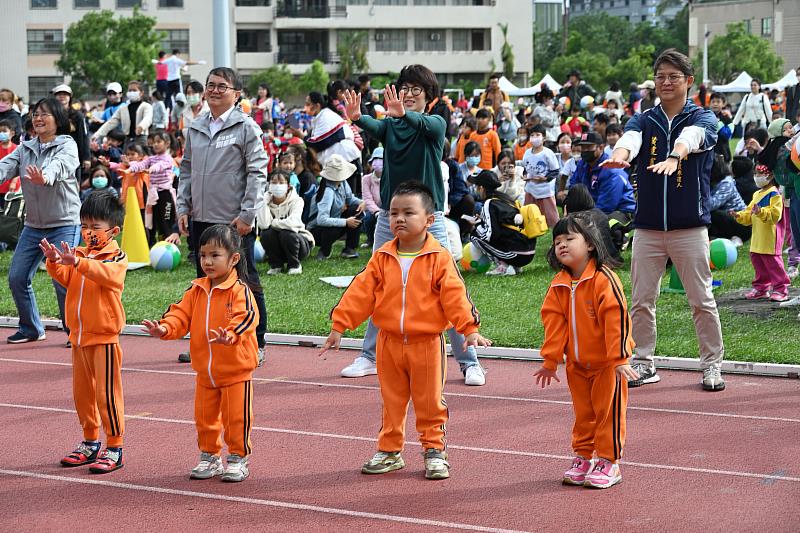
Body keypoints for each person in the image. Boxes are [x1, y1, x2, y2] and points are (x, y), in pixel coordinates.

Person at [320, 182, 491, 480]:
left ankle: (434, 450)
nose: (399, 218)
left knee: (429, 402)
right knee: (392, 401)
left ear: (429, 220)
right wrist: (340, 324)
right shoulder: (382, 256)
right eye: (393, 213)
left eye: (408, 212)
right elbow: (360, 292)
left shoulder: (438, 257)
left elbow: (455, 296)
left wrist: (469, 329)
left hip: (425, 344)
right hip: (389, 344)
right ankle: (389, 451)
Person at [341, 64, 486, 386]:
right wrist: (356, 116)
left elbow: (426, 125)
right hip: (390, 219)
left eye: (415, 90)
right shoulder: (392, 126)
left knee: (448, 287)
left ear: (429, 97)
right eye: (404, 88)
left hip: (429, 219)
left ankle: (469, 362)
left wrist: (401, 115)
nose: (408, 94)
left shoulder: (435, 123)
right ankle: (368, 356)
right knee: (379, 284)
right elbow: (373, 126)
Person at [604, 49, 726, 392]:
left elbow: (694, 139)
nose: (666, 82)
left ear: (689, 81)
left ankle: (712, 366)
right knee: (642, 301)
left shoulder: (703, 118)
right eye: (660, 76)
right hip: (648, 228)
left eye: (673, 76)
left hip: (690, 227)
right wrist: (619, 155)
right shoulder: (644, 119)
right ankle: (643, 362)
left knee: (701, 300)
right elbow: (631, 139)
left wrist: (675, 156)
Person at [142, 224, 258, 483]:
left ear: (234, 258)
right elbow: (180, 314)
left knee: (236, 418)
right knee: (205, 419)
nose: (207, 261)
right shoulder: (197, 289)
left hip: (236, 371)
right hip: (205, 371)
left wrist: (231, 335)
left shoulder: (240, 291)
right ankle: (210, 456)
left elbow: (247, 316)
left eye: (215, 255)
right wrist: (165, 328)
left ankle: (238, 458)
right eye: (203, 255)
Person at [533, 212, 637, 489]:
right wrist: (550, 360)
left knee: (608, 413)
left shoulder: (605, 280)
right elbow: (554, 324)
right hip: (576, 366)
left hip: (607, 366)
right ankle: (583, 457)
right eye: (557, 241)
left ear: (590, 243)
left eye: (569, 238)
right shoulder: (558, 284)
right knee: (583, 415)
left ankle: (609, 461)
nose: (562, 245)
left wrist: (619, 358)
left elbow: (617, 319)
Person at [177, 66, 268, 366]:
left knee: (246, 280)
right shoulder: (196, 126)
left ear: (237, 94)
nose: (214, 90)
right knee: (205, 283)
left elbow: (257, 172)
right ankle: (206, 340)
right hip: (201, 217)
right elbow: (187, 169)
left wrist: (247, 215)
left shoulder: (246, 127)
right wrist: (183, 206)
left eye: (222, 86)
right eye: (210, 85)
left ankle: (256, 341)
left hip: (233, 222)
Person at [39, 190, 127, 473]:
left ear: (113, 231)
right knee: (83, 394)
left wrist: (80, 263)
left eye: (95, 227)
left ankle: (114, 447)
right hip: (78, 336)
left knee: (106, 394)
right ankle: (90, 442)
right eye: (85, 226)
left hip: (103, 337)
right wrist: (55, 262)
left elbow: (108, 276)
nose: (88, 232)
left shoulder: (116, 257)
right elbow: (67, 278)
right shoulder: (78, 254)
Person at [0, 97, 81, 345]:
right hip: (33, 225)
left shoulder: (67, 145)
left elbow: (60, 166)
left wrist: (44, 176)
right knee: (17, 277)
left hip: (64, 223)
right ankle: (31, 327)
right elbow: (4, 166)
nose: (38, 118)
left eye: (45, 114)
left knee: (62, 279)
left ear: (58, 119)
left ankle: (75, 332)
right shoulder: (25, 148)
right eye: (35, 114)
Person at [732, 164, 789, 301]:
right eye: (755, 174)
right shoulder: (757, 194)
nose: (756, 177)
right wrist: (739, 215)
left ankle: (781, 290)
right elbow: (748, 213)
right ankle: (761, 289)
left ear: (769, 176)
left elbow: (776, 215)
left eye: (759, 174)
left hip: (770, 237)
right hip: (757, 238)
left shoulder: (775, 194)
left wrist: (760, 211)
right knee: (758, 263)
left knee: (774, 265)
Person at [469, 170, 536, 275]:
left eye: (477, 187)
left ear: (482, 188)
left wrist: (476, 225)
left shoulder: (489, 203)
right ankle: (514, 266)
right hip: (529, 252)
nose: (476, 190)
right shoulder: (504, 199)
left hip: (517, 254)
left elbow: (490, 235)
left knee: (474, 236)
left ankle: (503, 266)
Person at [124, 131, 179, 245]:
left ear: (167, 143)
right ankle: (151, 244)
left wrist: (151, 169)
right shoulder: (151, 158)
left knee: (166, 220)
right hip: (153, 194)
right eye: (153, 142)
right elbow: (141, 164)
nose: (155, 145)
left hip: (165, 194)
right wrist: (130, 169)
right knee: (152, 220)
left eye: (159, 142)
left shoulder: (168, 158)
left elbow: (161, 165)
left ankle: (169, 245)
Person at [307, 154, 364, 259]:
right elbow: (322, 220)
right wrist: (346, 222)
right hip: (317, 231)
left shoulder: (342, 183)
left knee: (356, 210)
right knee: (336, 225)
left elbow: (350, 199)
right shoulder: (327, 192)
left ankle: (350, 249)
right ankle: (324, 250)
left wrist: (362, 203)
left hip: (334, 222)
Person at [259, 169, 314, 275]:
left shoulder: (297, 201)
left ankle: (294, 265)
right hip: (277, 245)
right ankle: (276, 265)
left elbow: (293, 223)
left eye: (281, 183)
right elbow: (264, 225)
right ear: (269, 185)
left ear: (288, 186)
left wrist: (274, 223)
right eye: (274, 183)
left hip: (299, 244)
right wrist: (264, 202)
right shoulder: (265, 201)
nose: (277, 186)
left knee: (286, 233)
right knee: (266, 233)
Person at [521, 124, 560, 228]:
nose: (534, 138)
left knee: (550, 215)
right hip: (530, 188)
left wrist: (546, 178)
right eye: (532, 135)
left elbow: (555, 171)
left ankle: (555, 227)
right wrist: (525, 176)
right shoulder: (527, 153)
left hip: (545, 189)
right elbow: (526, 168)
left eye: (537, 135)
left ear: (544, 138)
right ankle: (530, 226)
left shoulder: (548, 153)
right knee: (529, 211)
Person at [92, 81, 153, 146]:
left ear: (141, 93)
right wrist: (97, 134)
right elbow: (111, 122)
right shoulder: (123, 108)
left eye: (134, 90)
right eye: (130, 90)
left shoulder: (146, 106)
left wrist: (141, 126)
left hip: (141, 138)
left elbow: (148, 118)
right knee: (125, 156)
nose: (132, 92)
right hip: (127, 139)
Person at [52, 84, 91, 179]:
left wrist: (86, 158)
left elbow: (84, 136)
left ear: (70, 97)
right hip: (54, 155)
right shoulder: (50, 114)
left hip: (73, 156)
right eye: (59, 94)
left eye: (65, 94)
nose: (62, 96)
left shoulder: (78, 116)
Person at [708, 155, 749, 244]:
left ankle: (735, 237)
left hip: (742, 225)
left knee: (714, 214)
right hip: (730, 219)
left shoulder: (726, 183)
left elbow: (711, 205)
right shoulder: (714, 181)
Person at [361, 147, 383, 248]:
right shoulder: (366, 179)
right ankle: (370, 239)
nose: (378, 164)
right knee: (368, 218)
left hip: (388, 208)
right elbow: (367, 198)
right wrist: (376, 211)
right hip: (373, 210)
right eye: (376, 160)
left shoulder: (391, 178)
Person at [709, 92, 734, 162]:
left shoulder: (727, 119)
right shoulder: (706, 117)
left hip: (723, 153)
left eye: (718, 102)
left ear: (723, 104)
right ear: (710, 103)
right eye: (713, 102)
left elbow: (728, 135)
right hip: (708, 153)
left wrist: (719, 123)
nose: (715, 104)